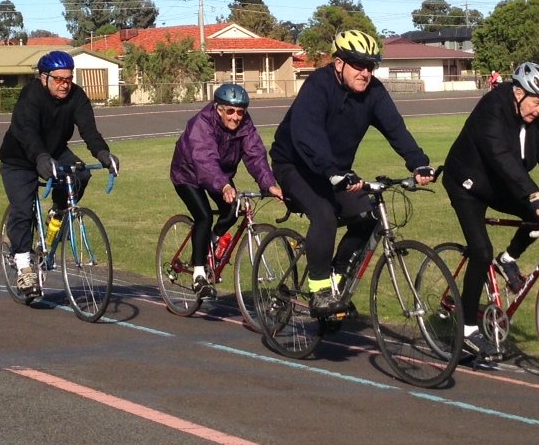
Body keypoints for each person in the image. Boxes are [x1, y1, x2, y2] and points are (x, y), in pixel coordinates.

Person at [442, 62, 539, 359]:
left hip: (499, 182)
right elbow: (500, 157)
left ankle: (509, 259)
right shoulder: (492, 107)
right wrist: (532, 193)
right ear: (518, 92)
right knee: (480, 251)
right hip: (467, 183)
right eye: (537, 103)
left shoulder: (536, 111)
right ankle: (466, 330)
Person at [270, 30, 435, 318]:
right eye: (358, 65)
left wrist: (418, 162)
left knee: (370, 215)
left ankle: (335, 280)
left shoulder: (374, 92)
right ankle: (319, 290)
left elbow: (396, 129)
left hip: (336, 170)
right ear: (338, 64)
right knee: (324, 214)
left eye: (370, 66)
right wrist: (333, 172)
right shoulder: (318, 86)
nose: (365, 72)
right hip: (295, 165)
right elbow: (308, 135)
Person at [0, 50, 119, 296]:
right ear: (44, 78)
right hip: (19, 157)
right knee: (23, 208)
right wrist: (41, 158)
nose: (65, 85)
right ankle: (23, 266)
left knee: (81, 175)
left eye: (69, 79)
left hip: (54, 151)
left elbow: (89, 131)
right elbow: (27, 131)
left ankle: (58, 212)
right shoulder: (31, 95)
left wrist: (104, 155)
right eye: (59, 79)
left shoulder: (76, 96)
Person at [170, 83, 282, 299]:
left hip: (219, 175)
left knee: (232, 210)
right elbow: (205, 160)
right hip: (188, 174)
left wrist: (269, 184)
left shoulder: (245, 126)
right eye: (230, 111)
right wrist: (224, 185)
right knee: (203, 215)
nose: (236, 117)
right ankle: (199, 274)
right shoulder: (201, 124)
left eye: (240, 112)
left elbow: (256, 155)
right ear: (218, 109)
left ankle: (210, 242)